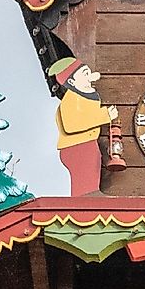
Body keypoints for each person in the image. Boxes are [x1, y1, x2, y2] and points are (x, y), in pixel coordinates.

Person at [51, 57, 119, 195]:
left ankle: (91, 193)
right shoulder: (72, 98)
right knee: (85, 168)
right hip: (75, 146)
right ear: (72, 81)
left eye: (88, 72)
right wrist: (105, 116)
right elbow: (72, 124)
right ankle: (85, 196)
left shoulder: (87, 96)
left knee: (93, 162)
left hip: (86, 142)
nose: (90, 77)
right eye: (85, 74)